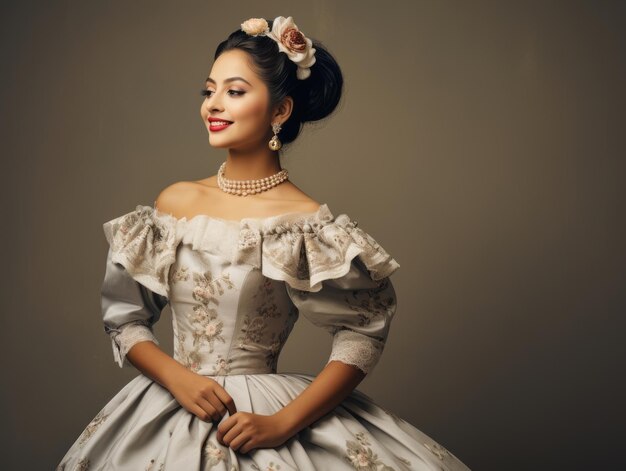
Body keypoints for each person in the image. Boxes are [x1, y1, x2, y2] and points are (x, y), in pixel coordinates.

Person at [57, 16, 471, 471]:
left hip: (260, 418)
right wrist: (178, 379)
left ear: (280, 111)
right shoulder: (174, 203)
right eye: (208, 90)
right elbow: (125, 320)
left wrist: (283, 423)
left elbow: (362, 332)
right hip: (166, 409)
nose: (212, 105)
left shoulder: (306, 224)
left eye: (234, 91)